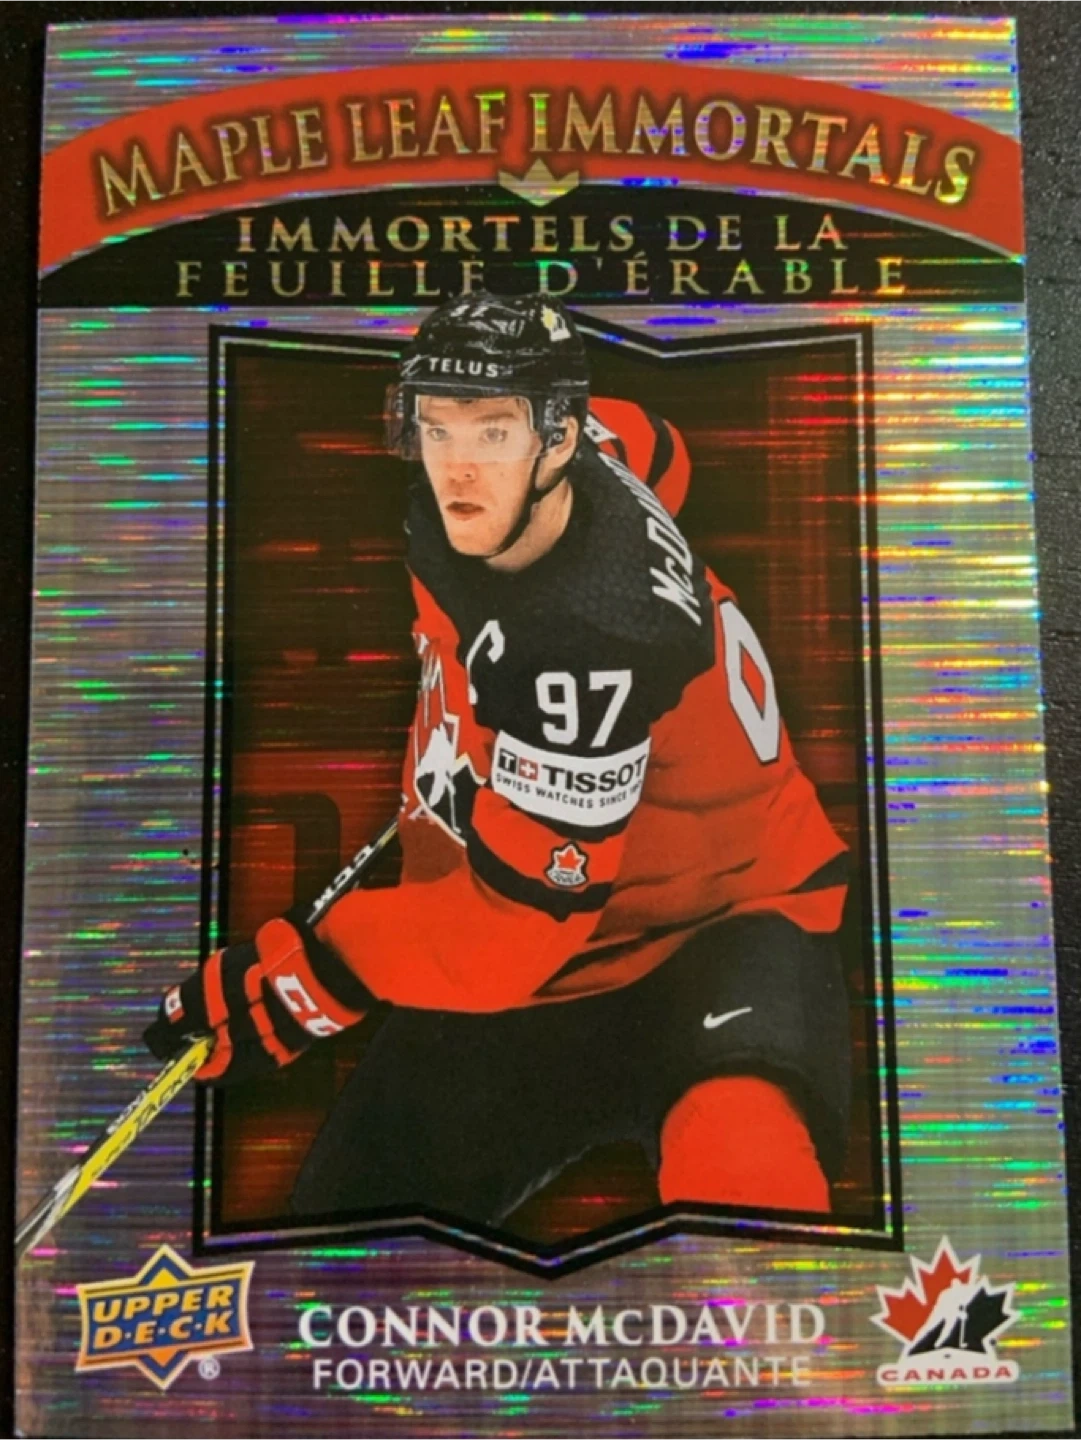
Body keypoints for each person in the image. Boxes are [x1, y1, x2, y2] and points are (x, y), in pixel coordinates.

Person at [146, 292, 852, 1225]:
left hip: (716, 924)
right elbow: (662, 447)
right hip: (531, 933)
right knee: (339, 1244)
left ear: (556, 441)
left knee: (743, 1166)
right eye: (436, 428)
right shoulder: (584, 454)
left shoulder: (587, 647)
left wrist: (311, 974)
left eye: (491, 431)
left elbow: (506, 942)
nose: (459, 465)